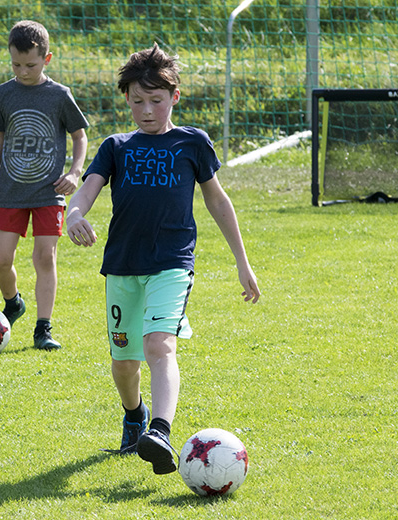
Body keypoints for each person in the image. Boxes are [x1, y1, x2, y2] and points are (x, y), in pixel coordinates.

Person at [65, 44, 260, 474]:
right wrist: (74, 215)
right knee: (124, 363)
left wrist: (242, 262)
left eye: (156, 100)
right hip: (122, 266)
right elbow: (87, 189)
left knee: (159, 345)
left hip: (172, 263)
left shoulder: (192, 143)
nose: (147, 111)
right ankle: (135, 414)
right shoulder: (116, 146)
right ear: (127, 99)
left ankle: (160, 431)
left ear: (175, 97)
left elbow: (218, 201)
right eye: (138, 101)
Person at [0, 20, 89, 350]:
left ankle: (43, 329)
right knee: (0, 260)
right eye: (16, 65)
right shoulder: (3, 94)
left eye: (31, 65)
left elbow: (79, 136)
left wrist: (74, 172)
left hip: (49, 192)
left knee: (44, 257)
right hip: (11, 192)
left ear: (46, 59)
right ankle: (13, 303)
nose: (23, 72)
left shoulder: (59, 95)